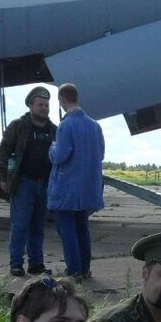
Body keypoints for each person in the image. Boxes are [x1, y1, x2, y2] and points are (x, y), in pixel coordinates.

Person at [47, 83, 105, 280]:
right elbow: (101, 154)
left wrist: (52, 148)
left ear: (62, 100)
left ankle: (73, 269)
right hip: (88, 187)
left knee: (67, 229)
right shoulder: (95, 125)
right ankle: (85, 267)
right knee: (82, 227)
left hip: (67, 187)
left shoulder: (66, 125)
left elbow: (61, 155)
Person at [0, 85, 57, 277]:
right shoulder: (18, 126)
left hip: (45, 184)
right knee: (20, 225)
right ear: (31, 106)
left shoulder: (53, 130)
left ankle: (36, 264)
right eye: (40, 104)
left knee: (38, 227)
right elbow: (4, 151)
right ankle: (16, 263)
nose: (44, 108)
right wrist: (4, 178)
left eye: (46, 105)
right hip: (24, 183)